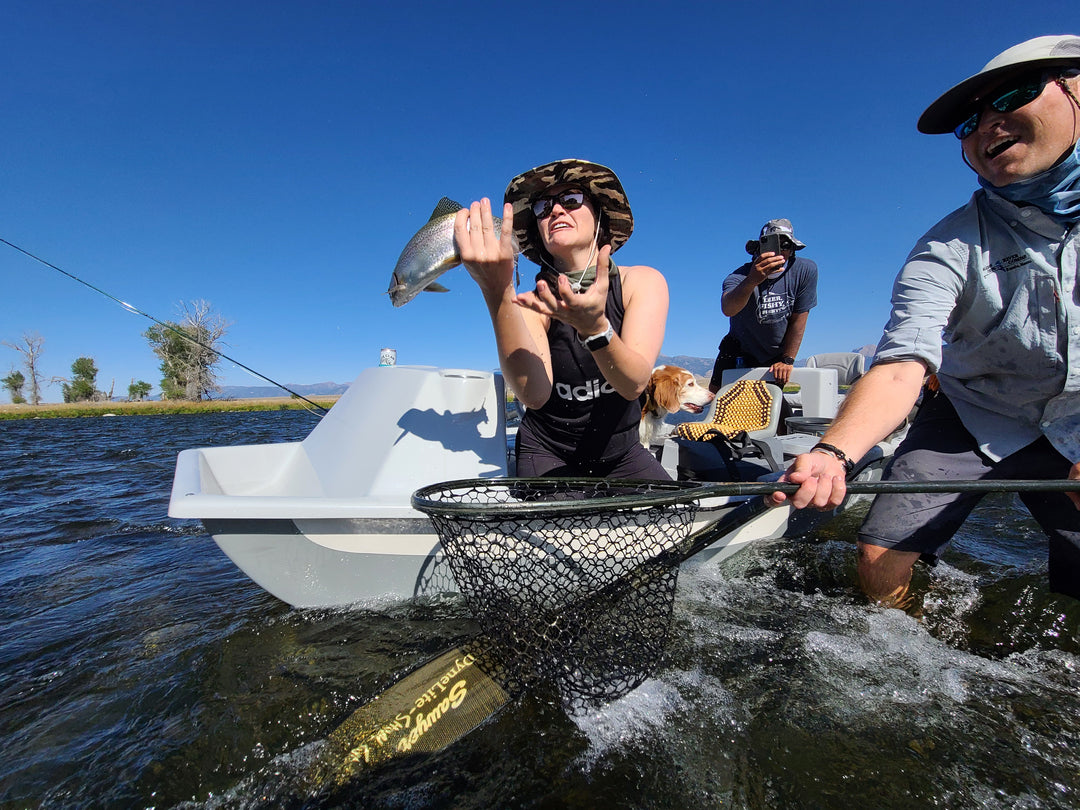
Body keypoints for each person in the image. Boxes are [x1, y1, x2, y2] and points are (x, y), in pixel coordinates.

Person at [774, 35, 1080, 607]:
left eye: (1013, 95)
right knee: (877, 556)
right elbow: (899, 368)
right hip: (971, 411)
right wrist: (834, 453)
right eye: (969, 121)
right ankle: (906, 643)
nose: (987, 125)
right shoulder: (944, 243)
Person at [455, 159, 671, 478]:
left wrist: (595, 330)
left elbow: (634, 383)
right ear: (537, 232)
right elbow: (535, 394)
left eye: (570, 200)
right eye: (543, 206)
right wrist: (497, 291)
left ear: (599, 216)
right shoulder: (531, 303)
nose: (555, 211)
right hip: (549, 454)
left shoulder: (642, 282)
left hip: (622, 454)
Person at [708, 218, 818, 393]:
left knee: (768, 406)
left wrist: (788, 359)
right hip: (738, 349)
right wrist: (753, 280)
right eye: (773, 245)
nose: (779, 252)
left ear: (793, 249)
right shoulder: (738, 277)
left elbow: (799, 318)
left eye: (785, 246)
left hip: (775, 355)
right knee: (716, 401)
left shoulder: (804, 271)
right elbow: (728, 309)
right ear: (759, 249)